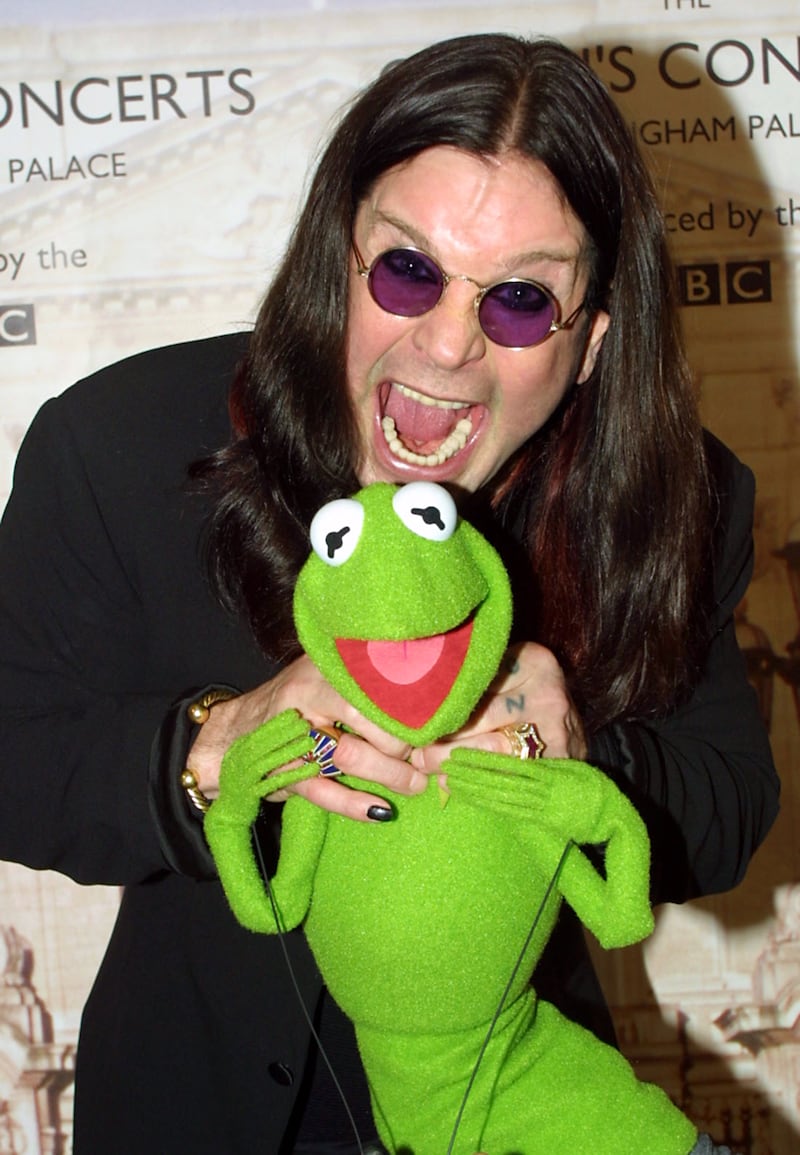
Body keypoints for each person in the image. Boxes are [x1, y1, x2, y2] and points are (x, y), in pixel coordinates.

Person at [0, 32, 778, 1155]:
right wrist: (216, 743)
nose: (446, 344)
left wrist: (574, 754)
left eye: (517, 301)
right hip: (195, 1106)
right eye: (406, 270)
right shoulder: (120, 442)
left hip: (511, 1097)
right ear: (339, 256)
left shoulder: (679, 493)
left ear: (591, 342)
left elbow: (727, 805)